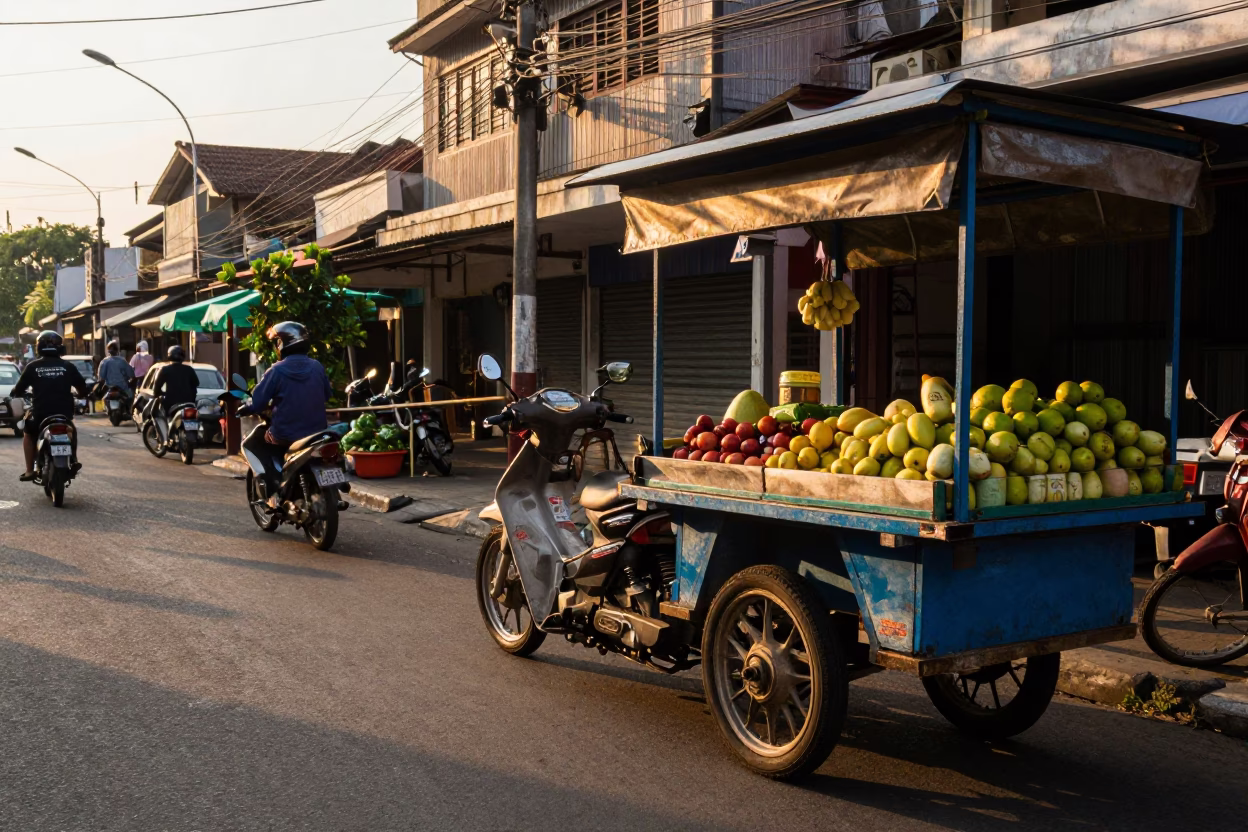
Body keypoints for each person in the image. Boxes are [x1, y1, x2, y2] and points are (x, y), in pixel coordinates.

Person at [240, 321, 332, 508]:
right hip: (318, 432)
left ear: (283, 343)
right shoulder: (317, 367)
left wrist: (247, 407)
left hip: (286, 434)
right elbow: (327, 395)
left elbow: (258, 403)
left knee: (257, 442)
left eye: (277, 342)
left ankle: (273, 487)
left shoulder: (276, 370)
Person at [11, 330, 87, 481]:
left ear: (39, 347)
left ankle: (29, 470)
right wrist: (80, 394)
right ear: (60, 347)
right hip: (64, 413)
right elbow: (82, 389)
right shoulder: (68, 366)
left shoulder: (33, 367)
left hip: (40, 413)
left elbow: (18, 390)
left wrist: (16, 393)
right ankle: (73, 459)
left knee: (28, 433)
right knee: (71, 431)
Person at [149, 345, 198, 445]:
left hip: (171, 402)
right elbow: (196, 383)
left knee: (162, 416)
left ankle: (166, 439)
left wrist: (159, 394)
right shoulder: (189, 369)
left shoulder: (165, 370)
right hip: (189, 402)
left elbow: (156, 387)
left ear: (169, 356)